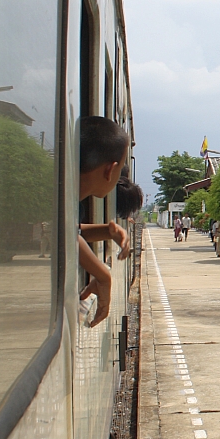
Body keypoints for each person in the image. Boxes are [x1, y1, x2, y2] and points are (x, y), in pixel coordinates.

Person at [78, 116, 131, 326]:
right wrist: (103, 275)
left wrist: (108, 231)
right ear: (110, 170)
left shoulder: (70, 199)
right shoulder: (60, 199)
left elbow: (73, 232)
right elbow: (64, 233)